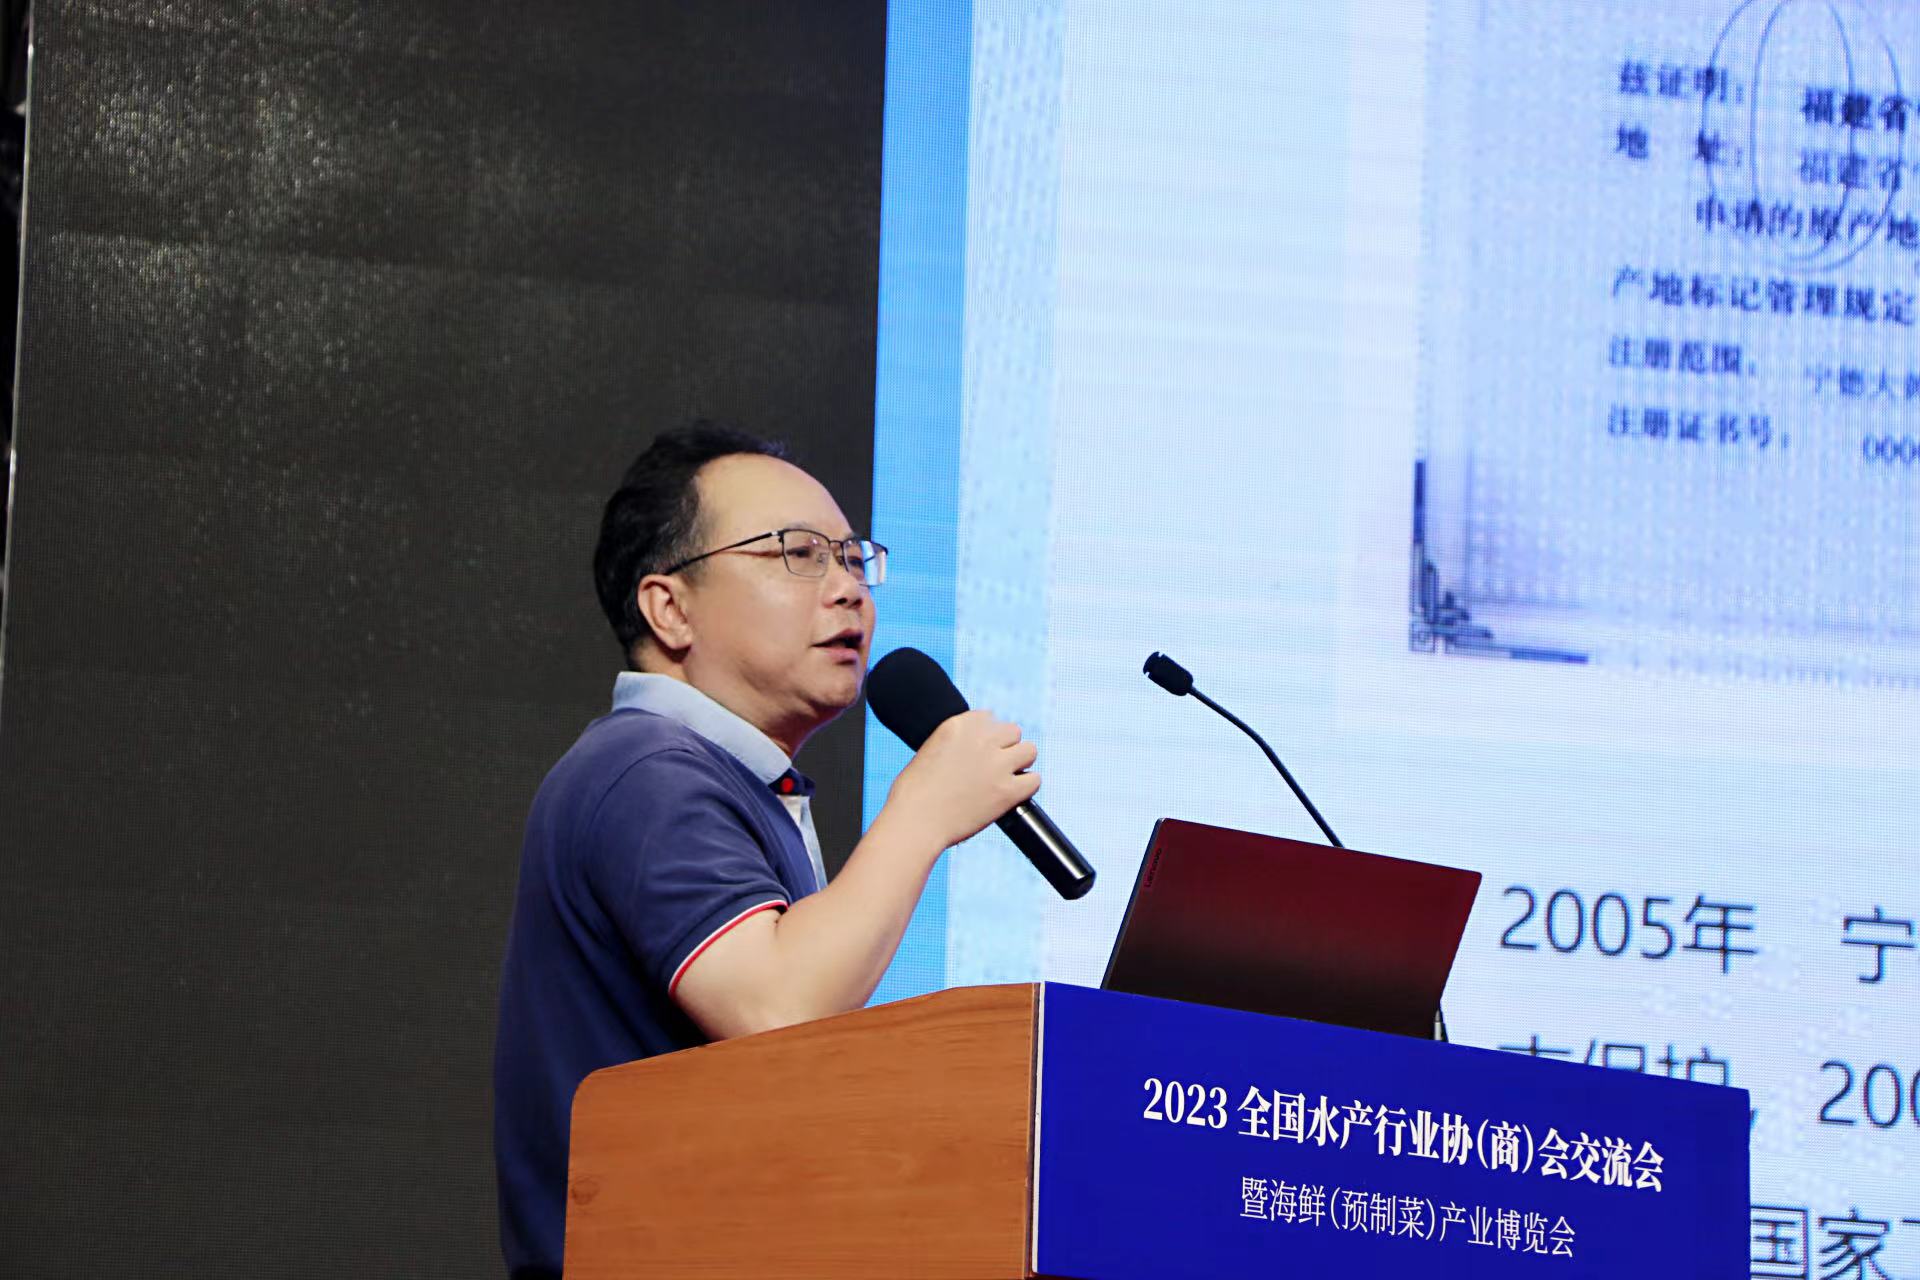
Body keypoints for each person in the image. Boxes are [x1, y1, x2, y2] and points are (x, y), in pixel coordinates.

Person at [491, 422, 1039, 1279]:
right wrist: (925, 809)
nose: (847, 590)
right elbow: (778, 1013)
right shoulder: (645, 769)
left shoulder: (729, 778)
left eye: (852, 558)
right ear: (670, 608)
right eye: (797, 555)